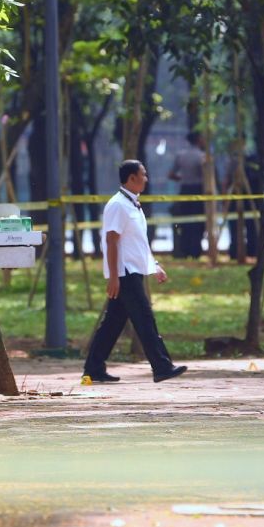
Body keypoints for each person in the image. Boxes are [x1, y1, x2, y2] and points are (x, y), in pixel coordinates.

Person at [82, 160, 187, 385]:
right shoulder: (118, 205)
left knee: (113, 323)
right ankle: (161, 366)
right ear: (131, 178)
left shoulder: (132, 204)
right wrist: (113, 276)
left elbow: (136, 242)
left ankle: (93, 369)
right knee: (145, 318)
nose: (146, 179)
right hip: (124, 273)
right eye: (143, 175)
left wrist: (154, 264)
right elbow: (111, 241)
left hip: (132, 270)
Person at [169, 131, 207, 259]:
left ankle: (184, 250)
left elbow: (171, 174)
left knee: (185, 222)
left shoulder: (180, 155)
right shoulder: (202, 156)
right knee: (198, 222)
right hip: (198, 191)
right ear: (198, 140)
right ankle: (195, 251)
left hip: (184, 191)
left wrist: (183, 178)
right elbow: (205, 175)